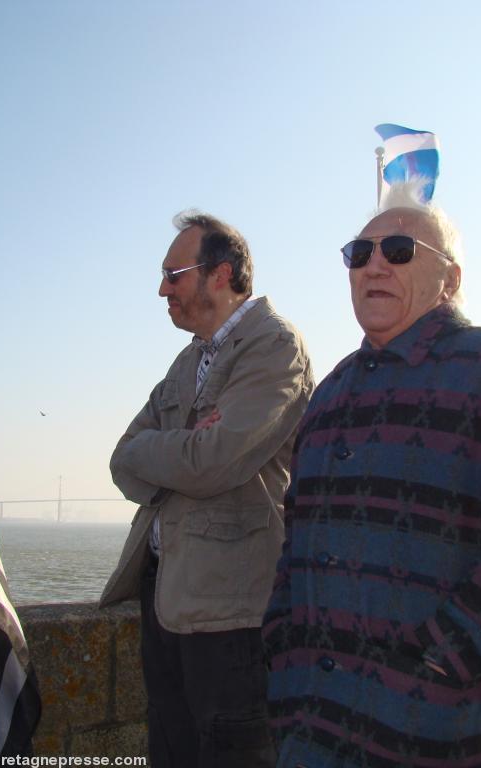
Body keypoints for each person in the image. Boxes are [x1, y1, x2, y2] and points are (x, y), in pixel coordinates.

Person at [262, 184, 481, 768]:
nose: (375, 265)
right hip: (312, 727)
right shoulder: (330, 395)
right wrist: (283, 643)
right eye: (358, 254)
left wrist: (445, 657)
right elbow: (298, 543)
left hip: (436, 735)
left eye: (398, 248)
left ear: (451, 278)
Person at [99, 211, 314, 768]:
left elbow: (214, 463)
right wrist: (183, 446)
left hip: (230, 612)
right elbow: (123, 459)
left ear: (220, 274)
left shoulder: (274, 346)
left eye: (174, 275)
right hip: (166, 596)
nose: (162, 289)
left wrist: (180, 450)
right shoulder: (187, 360)